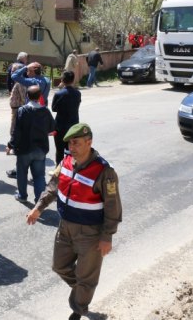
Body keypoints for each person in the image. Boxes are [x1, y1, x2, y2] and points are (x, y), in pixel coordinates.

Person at [26, 123, 122, 320]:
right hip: (65, 228)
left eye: (76, 143)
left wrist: (107, 237)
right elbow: (52, 187)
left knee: (87, 277)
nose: (72, 147)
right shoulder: (66, 162)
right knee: (59, 266)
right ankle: (82, 291)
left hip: (91, 234)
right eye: (70, 143)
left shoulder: (104, 171)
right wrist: (38, 208)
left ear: (89, 142)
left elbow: (113, 207)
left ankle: (78, 309)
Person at [7, 86, 55, 203]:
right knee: (39, 176)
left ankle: (22, 196)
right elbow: (52, 128)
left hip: (24, 149)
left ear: (27, 96)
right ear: (40, 97)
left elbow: (16, 131)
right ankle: (39, 201)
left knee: (22, 173)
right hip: (40, 149)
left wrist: (10, 145)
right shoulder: (45, 111)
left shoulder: (22, 110)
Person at [52, 71, 81, 164]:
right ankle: (71, 170)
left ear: (62, 80)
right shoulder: (77, 93)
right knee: (72, 150)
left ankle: (59, 171)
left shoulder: (59, 94)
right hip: (73, 126)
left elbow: (54, 108)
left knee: (59, 151)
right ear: (73, 80)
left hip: (60, 126)